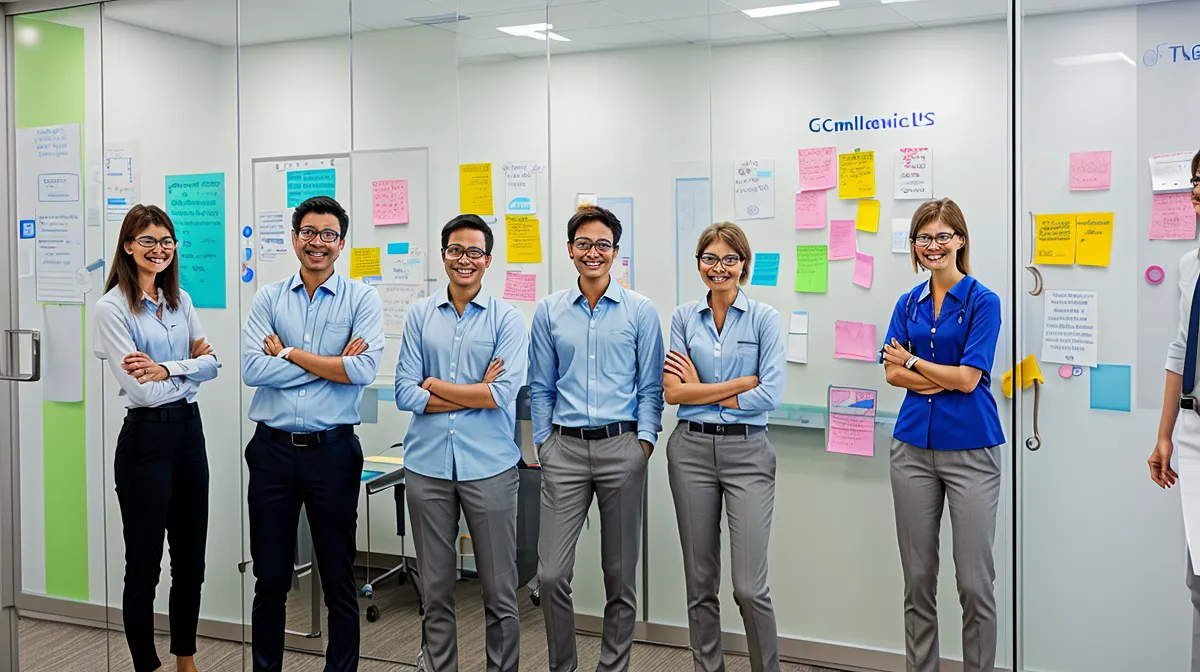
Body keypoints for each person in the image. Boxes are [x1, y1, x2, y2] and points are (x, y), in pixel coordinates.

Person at [241, 195, 383, 672]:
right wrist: (331, 363)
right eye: (308, 232)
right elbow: (252, 369)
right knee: (270, 579)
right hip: (272, 452)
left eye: (327, 234)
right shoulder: (268, 298)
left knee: (339, 578)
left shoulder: (361, 298)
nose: (317, 242)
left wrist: (289, 354)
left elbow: (362, 370)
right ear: (294, 238)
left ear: (341, 243)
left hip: (332, 453)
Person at [529, 205, 665, 672]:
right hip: (563, 450)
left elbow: (650, 387)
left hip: (621, 449)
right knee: (550, 574)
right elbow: (541, 386)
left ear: (615, 252)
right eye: (584, 244)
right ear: (570, 250)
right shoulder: (549, 311)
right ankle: (562, 666)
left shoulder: (640, 311)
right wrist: (545, 444)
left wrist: (643, 445)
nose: (593, 252)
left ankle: (613, 667)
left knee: (619, 577)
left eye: (602, 245)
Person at [394, 214, 529, 672]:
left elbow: (501, 395)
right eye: (455, 250)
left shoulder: (508, 319)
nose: (464, 259)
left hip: (489, 468)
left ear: (488, 260)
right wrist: (474, 391)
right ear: (443, 255)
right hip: (427, 466)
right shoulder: (420, 315)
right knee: (435, 590)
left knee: (499, 591)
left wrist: (435, 385)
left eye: (474, 251)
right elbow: (405, 393)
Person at [93, 205, 219, 672]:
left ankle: (186, 659)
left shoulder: (180, 300)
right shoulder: (111, 308)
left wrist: (166, 368)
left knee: (191, 563)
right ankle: (147, 666)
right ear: (128, 246)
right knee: (144, 566)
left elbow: (213, 364)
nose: (159, 249)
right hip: (146, 441)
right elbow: (142, 392)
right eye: (148, 241)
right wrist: (189, 371)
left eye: (166, 241)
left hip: (189, 435)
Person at [880, 198, 1004, 672]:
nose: (932, 245)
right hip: (912, 449)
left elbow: (969, 379)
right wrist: (938, 375)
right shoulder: (906, 303)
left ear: (960, 240)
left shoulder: (983, 301)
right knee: (917, 581)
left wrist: (913, 361)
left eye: (942, 236)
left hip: (972, 451)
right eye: (923, 237)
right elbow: (891, 374)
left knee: (974, 583)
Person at [662, 222, 785, 672]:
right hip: (690, 451)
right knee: (700, 583)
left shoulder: (764, 318)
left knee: (749, 587)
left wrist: (702, 390)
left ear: (743, 264)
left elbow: (770, 393)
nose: (719, 267)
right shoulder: (682, 318)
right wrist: (738, 384)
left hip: (748, 453)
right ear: (699, 263)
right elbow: (674, 393)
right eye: (710, 258)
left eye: (729, 259)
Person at [1148, 148, 1200, 671]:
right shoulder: (1190, 265)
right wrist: (1164, 435)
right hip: (1193, 429)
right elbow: (1180, 350)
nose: (1196, 192)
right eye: (1195, 182)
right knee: (1199, 580)